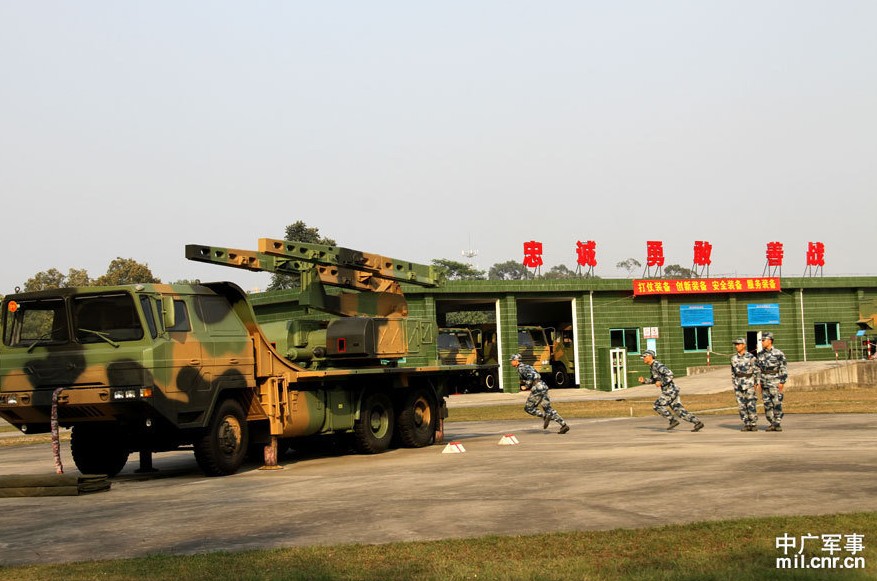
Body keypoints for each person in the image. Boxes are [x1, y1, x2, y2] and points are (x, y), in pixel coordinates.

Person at [637, 350, 704, 432]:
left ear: (650, 356)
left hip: (670, 390)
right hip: (670, 390)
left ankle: (672, 421)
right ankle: (697, 423)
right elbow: (654, 380)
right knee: (678, 410)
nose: (643, 358)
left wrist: (661, 382)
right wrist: (644, 381)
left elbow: (670, 374)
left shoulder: (658, 365)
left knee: (657, 405)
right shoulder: (652, 367)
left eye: (644, 357)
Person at [510, 353, 569, 434]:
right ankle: (563, 425)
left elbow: (531, 376)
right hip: (543, 386)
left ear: (516, 361)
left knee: (528, 408)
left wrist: (526, 386)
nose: (511, 362)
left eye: (512, 360)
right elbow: (536, 375)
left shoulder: (521, 368)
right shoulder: (527, 366)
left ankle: (544, 416)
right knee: (548, 408)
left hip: (537, 388)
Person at [755, 331, 787, 432]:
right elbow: (758, 369)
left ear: (770, 341)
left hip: (775, 382)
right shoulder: (760, 355)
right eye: (762, 340)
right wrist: (758, 382)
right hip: (764, 382)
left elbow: (783, 368)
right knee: (767, 404)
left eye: (764, 340)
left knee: (776, 402)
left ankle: (777, 422)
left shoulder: (778, 353)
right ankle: (772, 422)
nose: (762, 342)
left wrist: (782, 382)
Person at [730, 337, 759, 431]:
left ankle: (753, 423)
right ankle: (746, 423)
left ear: (744, 345)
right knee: (741, 405)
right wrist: (734, 384)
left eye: (738, 344)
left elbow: (756, 371)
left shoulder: (751, 357)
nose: (737, 346)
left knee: (751, 404)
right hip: (738, 384)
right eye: (736, 345)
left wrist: (756, 383)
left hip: (749, 383)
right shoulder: (733, 358)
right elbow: (733, 372)